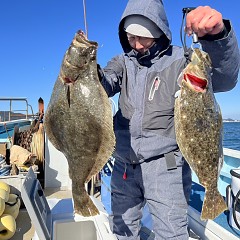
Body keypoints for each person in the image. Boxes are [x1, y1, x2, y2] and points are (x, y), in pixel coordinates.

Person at [97, 0, 240, 239]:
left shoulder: (182, 60)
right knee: (122, 231)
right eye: (131, 38)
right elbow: (104, 84)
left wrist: (218, 37)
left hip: (166, 166)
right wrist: (89, 73)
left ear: (159, 31)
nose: (137, 45)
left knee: (171, 233)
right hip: (124, 165)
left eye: (144, 37)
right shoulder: (122, 62)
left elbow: (224, 79)